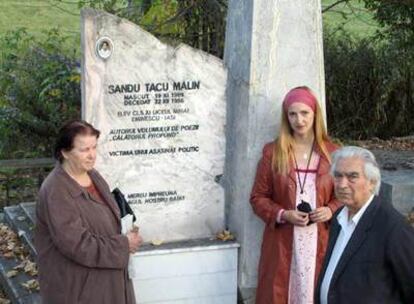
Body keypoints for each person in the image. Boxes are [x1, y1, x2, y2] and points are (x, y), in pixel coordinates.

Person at [34, 120, 142, 304]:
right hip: (78, 288)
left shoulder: (93, 176)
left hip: (106, 281)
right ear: (65, 152)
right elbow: (77, 244)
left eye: (94, 147)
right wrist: (123, 245)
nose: (92, 155)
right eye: (84, 150)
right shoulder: (56, 190)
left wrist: (126, 231)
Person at [250, 86, 341, 304]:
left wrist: (330, 210)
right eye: (292, 114)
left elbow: (345, 196)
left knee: (316, 292)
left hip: (320, 240)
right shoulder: (273, 152)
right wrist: (283, 214)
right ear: (286, 117)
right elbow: (257, 197)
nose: (299, 120)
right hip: (282, 241)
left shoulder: (333, 152)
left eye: (304, 113)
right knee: (281, 294)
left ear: (315, 114)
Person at [315, 146, 414, 304]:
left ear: (372, 182)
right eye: (338, 176)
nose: (342, 184)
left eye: (352, 177)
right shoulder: (338, 219)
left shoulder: (393, 227)